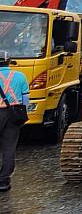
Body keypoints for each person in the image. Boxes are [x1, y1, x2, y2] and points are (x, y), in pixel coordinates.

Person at [0, 50, 29, 192]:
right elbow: (25, 100)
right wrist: (23, 115)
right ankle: (4, 181)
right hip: (13, 114)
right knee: (9, 147)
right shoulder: (20, 76)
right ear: (9, 61)